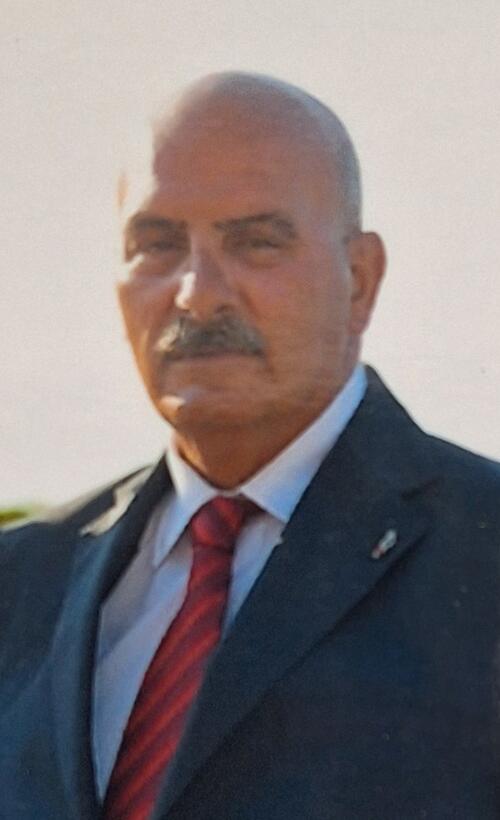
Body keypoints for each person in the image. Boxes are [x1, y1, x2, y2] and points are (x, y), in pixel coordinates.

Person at [1, 72, 499, 820]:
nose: (197, 293)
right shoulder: (18, 583)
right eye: (157, 244)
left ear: (360, 280)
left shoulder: (484, 556)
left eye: (256, 242)